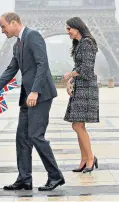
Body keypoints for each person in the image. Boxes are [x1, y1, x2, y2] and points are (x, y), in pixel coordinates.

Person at [0, 12, 65, 191]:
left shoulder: (33, 36)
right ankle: (25, 178)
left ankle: (55, 175)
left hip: (40, 95)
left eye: (3, 26)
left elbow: (42, 64)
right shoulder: (18, 44)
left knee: (35, 136)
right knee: (21, 138)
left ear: (14, 22)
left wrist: (35, 91)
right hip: (27, 97)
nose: (1, 31)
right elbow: (11, 69)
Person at [62, 17, 99, 173]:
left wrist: (70, 74)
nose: (68, 32)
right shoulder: (79, 44)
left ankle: (90, 158)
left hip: (86, 88)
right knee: (78, 125)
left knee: (77, 125)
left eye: (69, 29)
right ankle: (85, 159)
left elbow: (86, 69)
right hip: (80, 87)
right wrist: (70, 81)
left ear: (76, 28)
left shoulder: (87, 43)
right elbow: (79, 67)